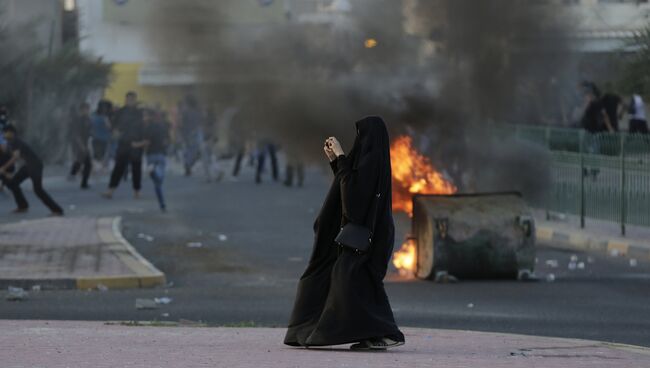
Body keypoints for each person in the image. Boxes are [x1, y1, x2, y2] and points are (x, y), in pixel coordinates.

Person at [284, 116, 404, 350]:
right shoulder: (372, 161)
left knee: (350, 280)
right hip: (368, 236)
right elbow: (349, 184)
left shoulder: (371, 163)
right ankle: (310, 330)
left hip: (369, 238)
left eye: (361, 136)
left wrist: (340, 157)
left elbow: (354, 201)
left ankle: (386, 333)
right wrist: (335, 161)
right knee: (346, 281)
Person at [0, 125, 63, 215]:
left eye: (6, 132)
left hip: (35, 166)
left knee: (38, 189)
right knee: (13, 184)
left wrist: (4, 168)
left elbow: (15, 157)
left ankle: (57, 210)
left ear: (11, 133)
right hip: (27, 166)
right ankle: (23, 206)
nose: (4, 135)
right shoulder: (12, 142)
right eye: (3, 133)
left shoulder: (15, 141)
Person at [102, 91, 144, 199]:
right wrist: (114, 131)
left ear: (135, 100)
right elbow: (113, 125)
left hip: (136, 143)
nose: (130, 101)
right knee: (118, 168)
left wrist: (142, 142)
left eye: (132, 99)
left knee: (136, 168)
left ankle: (137, 191)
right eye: (128, 99)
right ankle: (110, 191)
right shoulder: (120, 112)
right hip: (123, 143)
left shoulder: (139, 113)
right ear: (125, 99)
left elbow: (143, 127)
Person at [143, 108, 170, 212]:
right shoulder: (163, 127)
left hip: (151, 156)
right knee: (159, 181)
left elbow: (147, 142)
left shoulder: (148, 128)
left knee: (157, 182)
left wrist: (142, 151)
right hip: (161, 155)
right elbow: (167, 141)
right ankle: (162, 204)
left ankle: (162, 203)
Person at [68, 102, 93, 189]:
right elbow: (76, 134)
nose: (87, 111)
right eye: (86, 109)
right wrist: (81, 146)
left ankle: (73, 174)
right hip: (79, 144)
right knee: (87, 163)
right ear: (82, 110)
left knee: (81, 161)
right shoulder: (79, 120)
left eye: (88, 109)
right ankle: (83, 182)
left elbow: (89, 132)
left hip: (85, 143)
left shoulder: (88, 119)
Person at [180, 95, 203, 177]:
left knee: (188, 151)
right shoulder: (197, 112)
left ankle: (188, 166)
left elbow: (182, 124)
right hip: (195, 134)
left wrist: (183, 135)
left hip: (189, 134)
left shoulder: (186, 112)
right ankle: (188, 166)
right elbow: (200, 124)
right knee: (193, 151)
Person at [91, 100, 113, 169]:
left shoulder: (94, 115)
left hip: (97, 138)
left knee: (97, 156)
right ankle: (96, 168)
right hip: (101, 139)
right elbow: (109, 127)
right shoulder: (105, 117)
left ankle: (95, 168)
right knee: (99, 156)